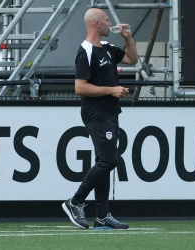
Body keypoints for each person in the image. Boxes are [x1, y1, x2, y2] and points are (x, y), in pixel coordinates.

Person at [62, 8, 138, 230]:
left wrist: (128, 38)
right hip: (96, 114)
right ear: (96, 24)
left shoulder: (108, 48)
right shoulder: (85, 51)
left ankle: (102, 216)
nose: (110, 24)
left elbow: (133, 59)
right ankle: (75, 202)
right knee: (109, 161)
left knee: (104, 163)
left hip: (110, 113)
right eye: (106, 20)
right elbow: (80, 87)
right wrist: (111, 90)